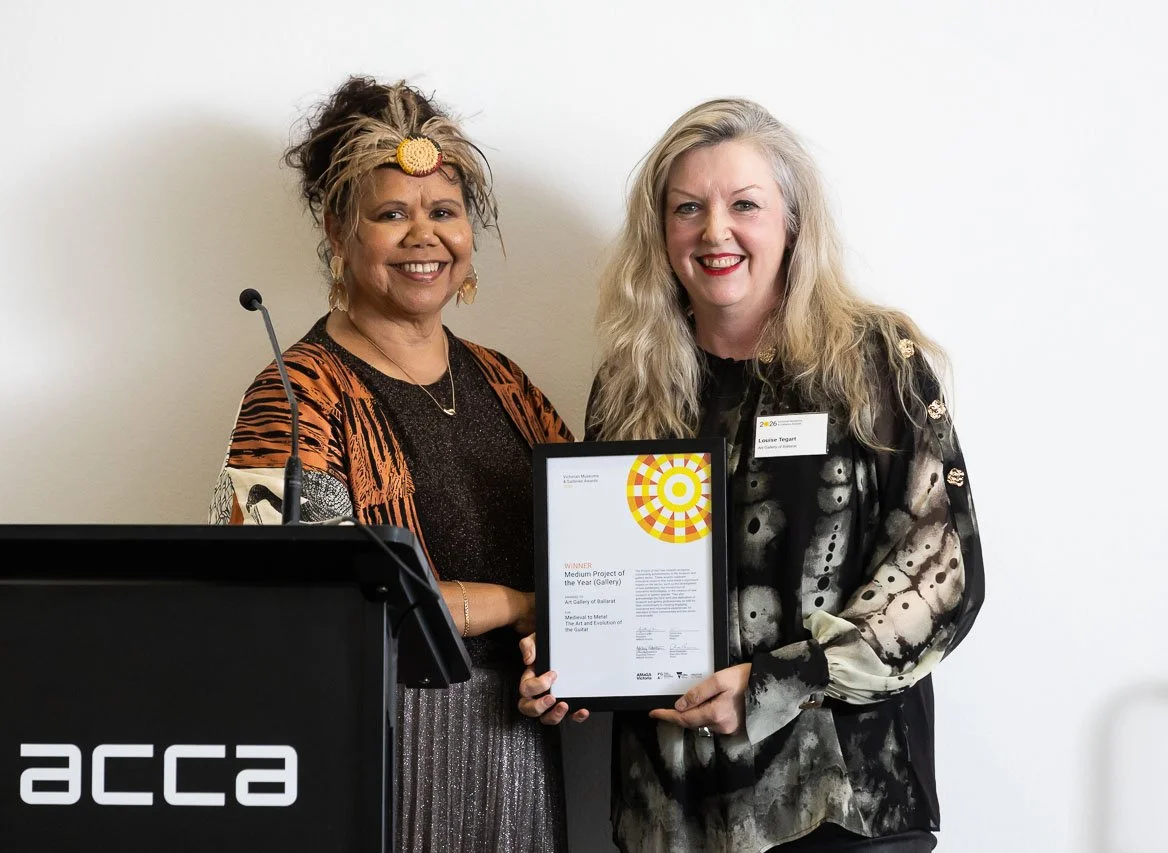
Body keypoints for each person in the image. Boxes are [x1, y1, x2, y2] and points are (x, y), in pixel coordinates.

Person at [519, 98, 984, 852]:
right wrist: (569, 666)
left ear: (791, 222)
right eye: (688, 209)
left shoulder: (871, 363)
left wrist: (776, 681)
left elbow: (942, 574)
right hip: (671, 812)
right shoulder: (629, 383)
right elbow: (604, 574)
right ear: (660, 232)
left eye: (744, 205)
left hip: (840, 801)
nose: (715, 231)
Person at [210, 75, 572, 852]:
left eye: (443, 211)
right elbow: (313, 610)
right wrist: (520, 604)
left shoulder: (509, 386)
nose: (424, 236)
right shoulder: (293, 393)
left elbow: (592, 560)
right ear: (339, 233)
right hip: (373, 753)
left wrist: (574, 658)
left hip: (519, 759)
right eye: (391, 213)